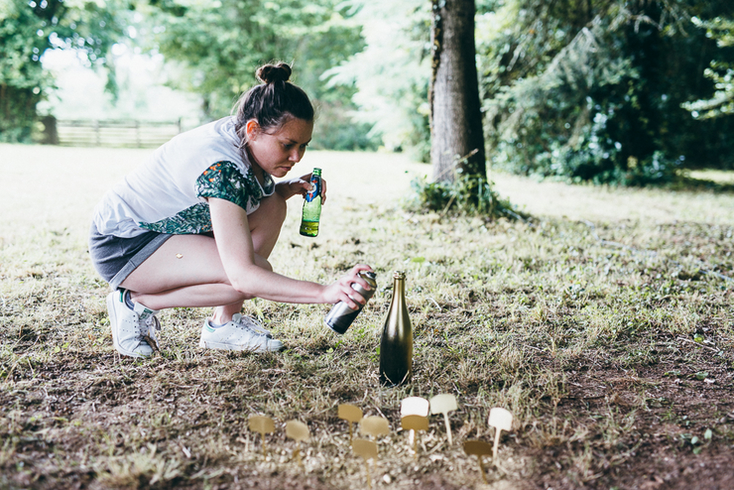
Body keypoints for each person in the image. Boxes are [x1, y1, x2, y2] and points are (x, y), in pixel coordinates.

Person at [89, 62, 372, 358]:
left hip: (167, 232)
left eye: (303, 146)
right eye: (288, 145)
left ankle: (223, 325)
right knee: (253, 274)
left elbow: (250, 196)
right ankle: (137, 301)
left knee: (273, 204)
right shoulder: (221, 167)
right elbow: (243, 276)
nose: (296, 157)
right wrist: (324, 293)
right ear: (253, 129)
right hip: (125, 245)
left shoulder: (242, 136)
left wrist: (287, 187)